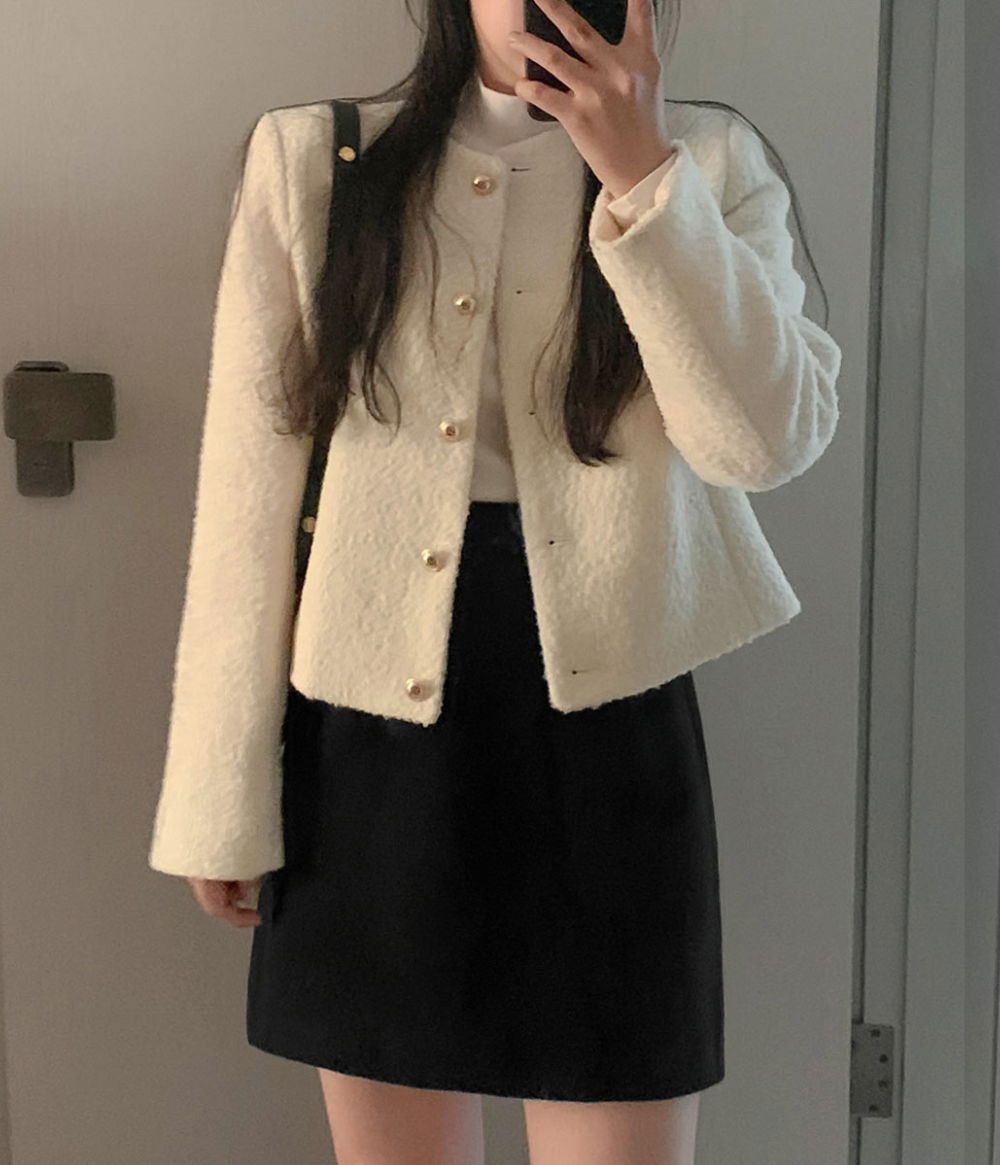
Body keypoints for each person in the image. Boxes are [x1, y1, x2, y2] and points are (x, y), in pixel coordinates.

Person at [148, 0, 843, 1161]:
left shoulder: (709, 162)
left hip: (612, 725)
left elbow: (763, 445)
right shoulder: (317, 161)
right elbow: (247, 498)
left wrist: (641, 178)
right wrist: (219, 792)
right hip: (369, 736)